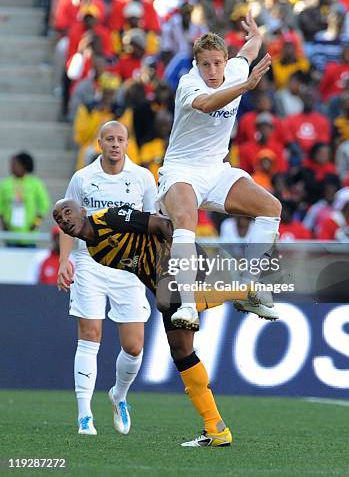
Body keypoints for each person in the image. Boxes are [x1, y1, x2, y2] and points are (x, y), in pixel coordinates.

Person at [53, 199, 279, 447]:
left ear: (83, 212)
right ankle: (216, 428)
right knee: (181, 350)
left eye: (67, 213)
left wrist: (180, 265)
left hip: (178, 261)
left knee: (166, 302)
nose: (64, 220)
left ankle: (243, 291)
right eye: (59, 219)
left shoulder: (110, 217)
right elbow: (141, 268)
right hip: (162, 283)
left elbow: (163, 225)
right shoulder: (96, 253)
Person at [156, 11, 282, 335]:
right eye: (205, 64)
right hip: (181, 171)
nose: (212, 71)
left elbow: (250, 49)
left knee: (272, 208)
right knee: (186, 221)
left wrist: (255, 33)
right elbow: (207, 104)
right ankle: (187, 305)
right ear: (196, 65)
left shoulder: (238, 68)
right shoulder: (189, 84)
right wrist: (246, 86)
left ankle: (248, 286)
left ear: (226, 60)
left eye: (217, 63)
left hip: (216, 171)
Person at [57, 121, 157, 436]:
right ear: (99, 143)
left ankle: (119, 395)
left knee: (134, 346)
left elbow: (153, 224)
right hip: (89, 263)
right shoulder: (83, 178)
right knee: (90, 334)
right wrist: (64, 261)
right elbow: (67, 220)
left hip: (128, 266)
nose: (115, 144)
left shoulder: (142, 178)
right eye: (109, 139)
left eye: (120, 139)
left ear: (128, 144)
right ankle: (84, 415)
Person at [0, 152, 50, 247]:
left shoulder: (35, 183)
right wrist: (4, 224)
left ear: (24, 165)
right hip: (11, 235)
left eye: (15, 164)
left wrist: (36, 222)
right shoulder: (5, 184)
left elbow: (44, 205)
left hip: (29, 236)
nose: (12, 167)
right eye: (11, 164)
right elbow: (0, 206)